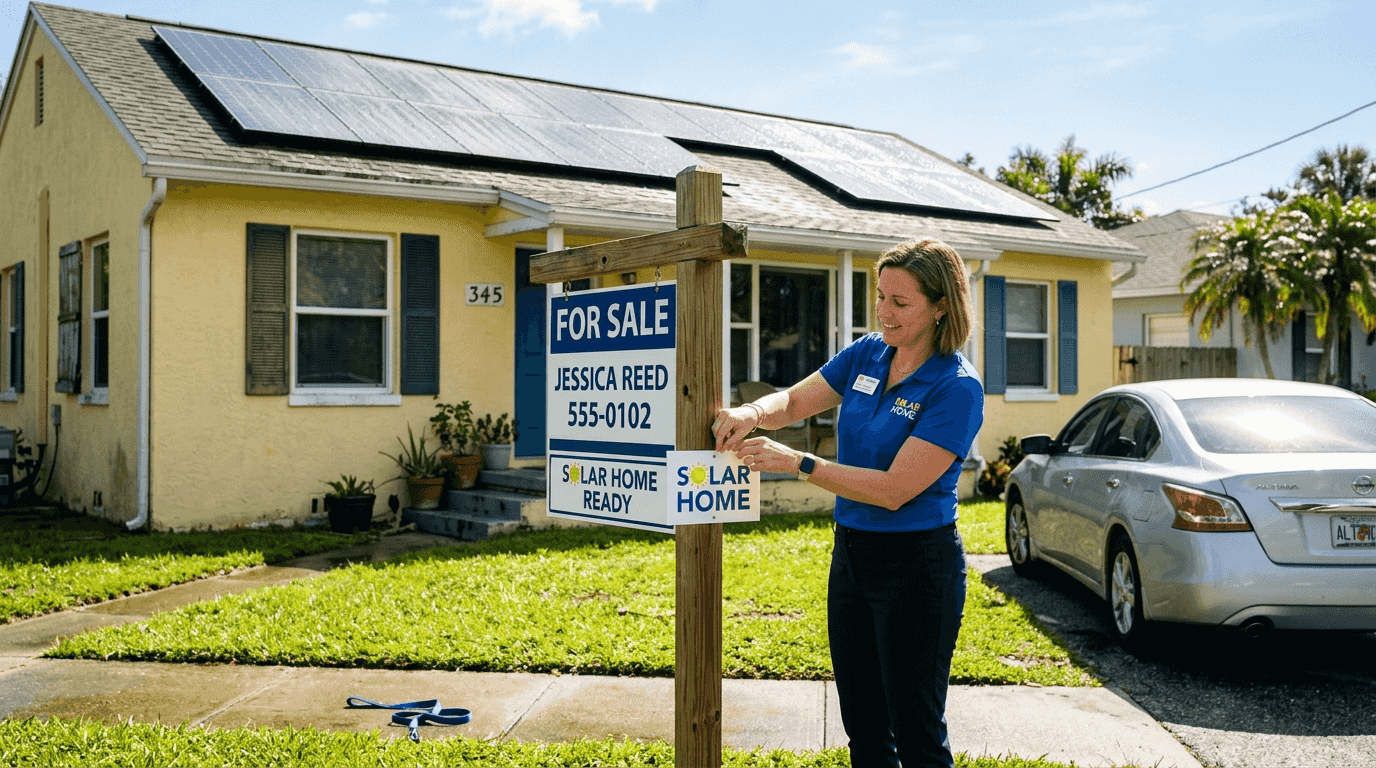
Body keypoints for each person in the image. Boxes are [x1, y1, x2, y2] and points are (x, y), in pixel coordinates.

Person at [712, 239, 984, 768]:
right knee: (863, 727)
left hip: (917, 567)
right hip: (853, 558)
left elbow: (892, 490)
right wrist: (752, 410)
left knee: (918, 732)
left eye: (900, 303)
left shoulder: (956, 387)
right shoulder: (869, 353)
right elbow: (791, 400)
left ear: (942, 305)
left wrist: (799, 464)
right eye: (880, 296)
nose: (884, 312)